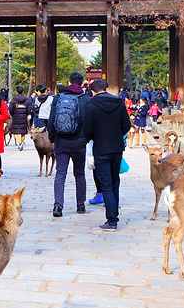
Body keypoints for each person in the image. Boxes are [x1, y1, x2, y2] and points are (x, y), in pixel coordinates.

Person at [84, 78, 132, 231]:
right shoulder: (119, 103)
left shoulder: (90, 105)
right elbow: (127, 125)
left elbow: (87, 131)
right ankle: (113, 215)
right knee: (114, 182)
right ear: (107, 88)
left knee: (106, 185)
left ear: (92, 91)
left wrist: (94, 136)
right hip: (117, 148)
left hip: (101, 149)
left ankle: (112, 220)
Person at [48, 72, 91, 217]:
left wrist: (53, 138)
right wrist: (86, 138)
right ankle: (80, 205)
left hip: (61, 142)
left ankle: (58, 207)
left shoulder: (58, 97)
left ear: (69, 81)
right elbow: (88, 121)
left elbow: (51, 119)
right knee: (79, 174)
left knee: (60, 174)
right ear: (81, 83)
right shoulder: (85, 99)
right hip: (78, 143)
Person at [9, 86, 31, 151]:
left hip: (16, 117)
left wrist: (13, 114)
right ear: (23, 92)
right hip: (24, 117)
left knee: (15, 132)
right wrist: (26, 114)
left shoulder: (14, 100)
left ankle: (20, 142)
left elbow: (10, 109)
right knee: (23, 132)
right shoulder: (26, 100)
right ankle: (21, 142)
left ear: (16, 92)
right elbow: (29, 109)